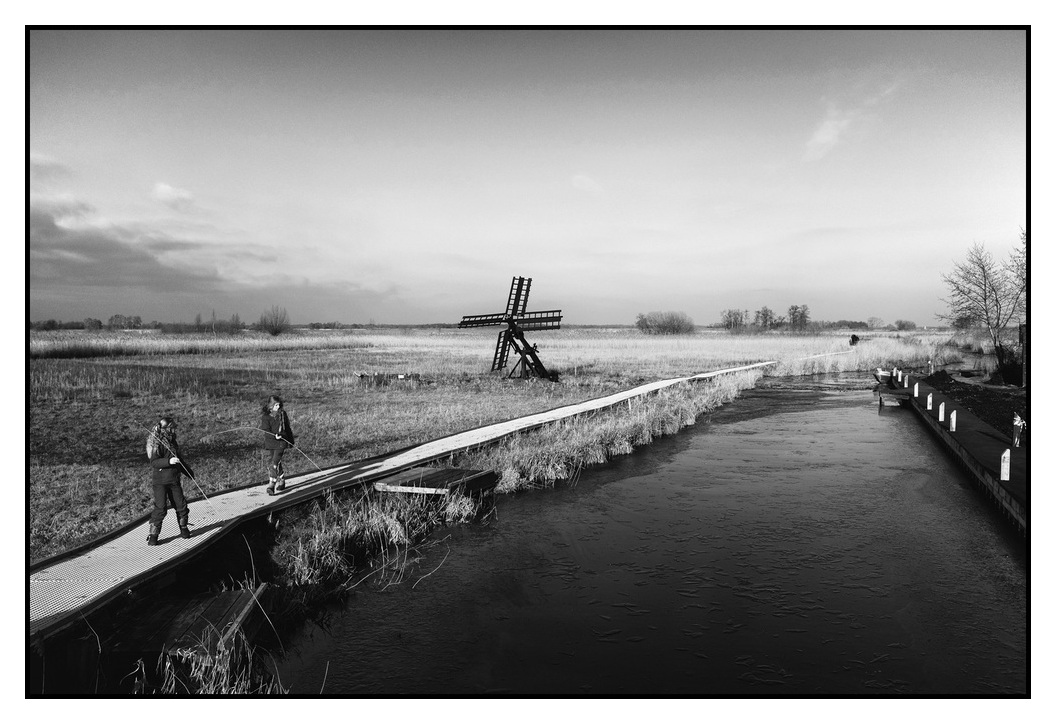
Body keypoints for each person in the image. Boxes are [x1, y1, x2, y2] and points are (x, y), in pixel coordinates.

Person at [145, 416, 193, 545]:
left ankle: (184, 529)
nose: (175, 430)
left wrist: (188, 472)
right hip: (160, 481)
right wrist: (169, 461)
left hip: (174, 480)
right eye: (172, 428)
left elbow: (179, 460)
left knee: (181, 506)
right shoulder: (156, 443)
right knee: (161, 509)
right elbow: (154, 462)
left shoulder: (172, 442)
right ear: (166, 429)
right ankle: (153, 536)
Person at [261, 395, 295, 495]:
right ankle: (282, 480)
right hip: (271, 442)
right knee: (277, 462)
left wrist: (291, 441)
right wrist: (274, 436)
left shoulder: (282, 414)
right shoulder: (265, 417)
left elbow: (287, 427)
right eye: (276, 405)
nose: (278, 407)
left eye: (279, 405)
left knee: (274, 463)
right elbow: (266, 430)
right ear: (270, 405)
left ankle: (271, 485)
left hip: (281, 442)